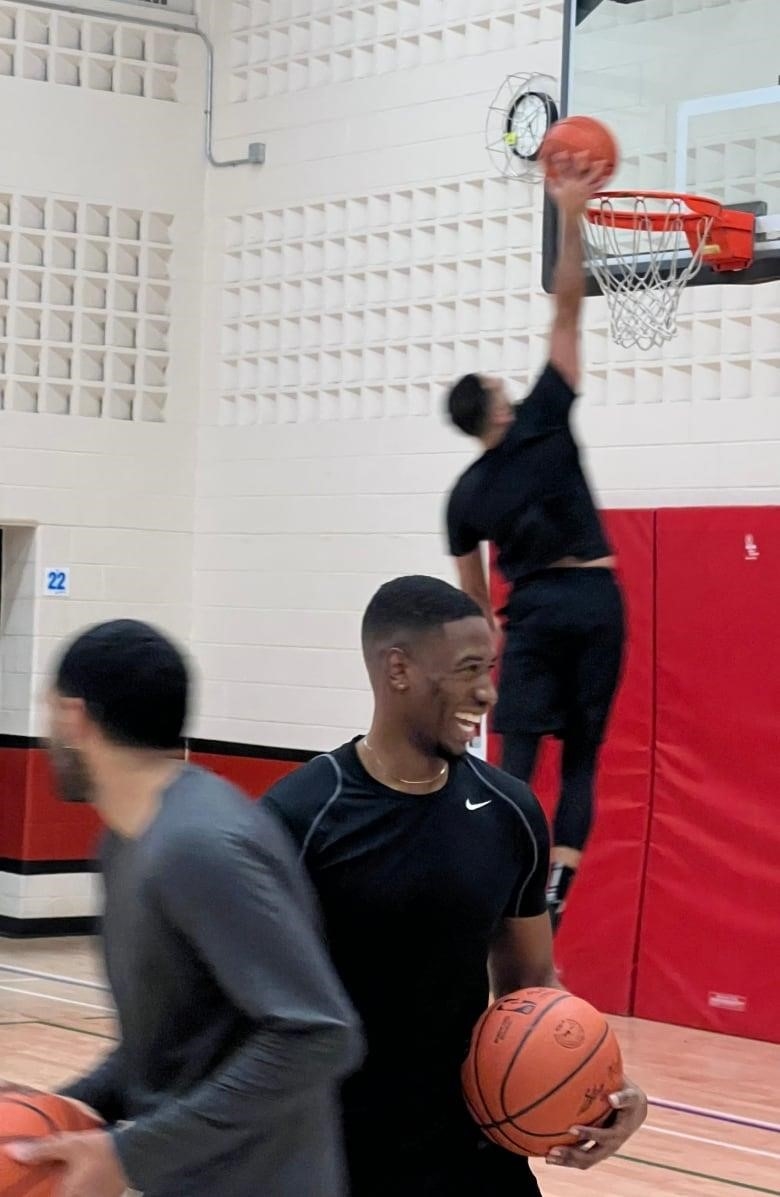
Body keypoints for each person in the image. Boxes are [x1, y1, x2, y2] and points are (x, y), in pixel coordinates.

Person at [263, 576, 646, 1197]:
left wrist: (607, 1092)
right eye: (469, 669)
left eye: (491, 667)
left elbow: (533, 986)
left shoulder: (510, 810)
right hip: (336, 1158)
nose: (488, 691)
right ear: (398, 670)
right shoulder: (302, 817)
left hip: (474, 1153)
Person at [10, 619, 363, 1197]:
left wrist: (125, 1155)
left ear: (75, 718)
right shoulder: (128, 839)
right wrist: (71, 1108)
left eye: (48, 711)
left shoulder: (199, 845)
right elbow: (175, 1045)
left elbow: (318, 1033)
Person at [444, 153, 625, 930]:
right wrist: (574, 216)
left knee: (516, 760)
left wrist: (488, 650)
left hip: (533, 612)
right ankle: (550, 904)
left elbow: (473, 595)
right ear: (495, 404)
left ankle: (500, 893)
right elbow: (568, 312)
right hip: (595, 596)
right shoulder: (546, 414)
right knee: (582, 758)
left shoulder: (468, 493)